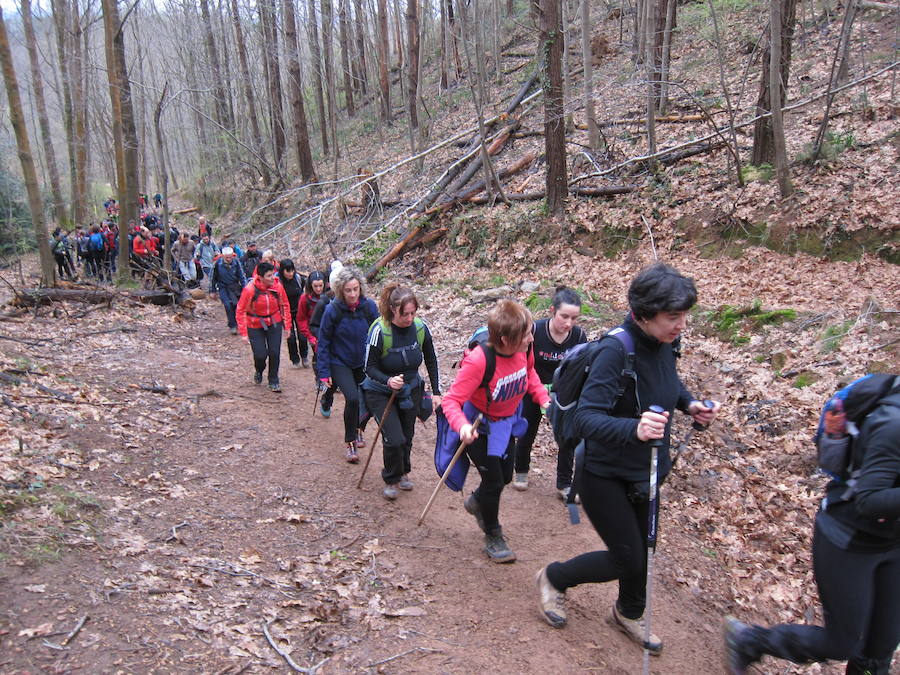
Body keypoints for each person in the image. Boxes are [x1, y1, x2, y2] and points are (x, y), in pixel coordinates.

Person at [534, 263, 719, 655]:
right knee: (627, 557)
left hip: (647, 468)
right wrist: (634, 428)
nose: (682, 324)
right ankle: (553, 577)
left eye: (685, 315)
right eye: (673, 316)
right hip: (604, 473)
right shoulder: (614, 351)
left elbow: (666, 382)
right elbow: (585, 417)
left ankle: (628, 612)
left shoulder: (664, 342)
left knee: (645, 548)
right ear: (643, 314)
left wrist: (689, 404)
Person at [724, 377, 900, 675]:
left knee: (879, 650)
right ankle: (750, 641)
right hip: (847, 539)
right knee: (842, 643)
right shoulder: (893, 425)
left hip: (893, 543)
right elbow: (869, 500)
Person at [442, 299, 551, 563]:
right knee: (493, 481)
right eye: (525, 335)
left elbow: (529, 373)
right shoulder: (479, 361)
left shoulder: (525, 349)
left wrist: (542, 397)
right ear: (504, 339)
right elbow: (451, 401)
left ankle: (477, 501)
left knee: (504, 477)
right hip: (479, 426)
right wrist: (463, 426)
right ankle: (493, 534)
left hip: (505, 423)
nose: (531, 338)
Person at [363, 284, 442, 500]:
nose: (409, 318)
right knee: (394, 438)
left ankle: (404, 471)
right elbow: (368, 367)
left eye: (412, 313)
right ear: (392, 309)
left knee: (407, 435)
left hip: (411, 389)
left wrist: (436, 391)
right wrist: (388, 380)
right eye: (404, 314)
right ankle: (391, 478)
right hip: (381, 392)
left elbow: (431, 359)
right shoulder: (380, 331)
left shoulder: (419, 328)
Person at [512, 287, 587, 496]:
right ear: (552, 310)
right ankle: (521, 470)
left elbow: (582, 368)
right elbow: (522, 364)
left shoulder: (579, 336)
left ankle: (564, 483)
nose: (568, 323)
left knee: (567, 437)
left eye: (574, 318)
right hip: (533, 388)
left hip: (564, 393)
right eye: (564, 316)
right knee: (527, 431)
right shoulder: (534, 331)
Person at [315, 265, 378, 463]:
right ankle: (350, 442)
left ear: (361, 288)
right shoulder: (333, 309)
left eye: (355, 289)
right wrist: (323, 372)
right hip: (339, 361)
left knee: (368, 397)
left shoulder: (368, 307)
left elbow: (378, 332)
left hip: (363, 361)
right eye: (348, 290)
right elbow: (323, 341)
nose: (352, 294)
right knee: (352, 398)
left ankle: (360, 428)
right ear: (341, 290)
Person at [236, 261, 290, 392]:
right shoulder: (250, 289)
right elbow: (240, 310)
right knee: (260, 354)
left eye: (273, 274)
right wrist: (243, 333)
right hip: (255, 324)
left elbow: (284, 305)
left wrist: (287, 326)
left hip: (274, 322)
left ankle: (273, 380)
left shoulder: (277, 287)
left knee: (274, 352)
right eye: (269, 276)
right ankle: (259, 370)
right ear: (260, 277)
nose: (273, 278)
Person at [278, 259, 310, 368]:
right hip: (285, 312)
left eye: (292, 270)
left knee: (302, 335)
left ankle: (304, 356)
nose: (290, 273)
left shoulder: (298, 279)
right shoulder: (278, 282)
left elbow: (309, 288)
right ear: (282, 271)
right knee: (290, 337)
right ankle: (294, 359)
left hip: (300, 311)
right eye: (288, 271)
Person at [209, 247, 248, 334]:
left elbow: (241, 275)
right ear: (223, 256)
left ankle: (238, 323)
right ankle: (232, 326)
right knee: (228, 305)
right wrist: (212, 290)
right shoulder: (217, 264)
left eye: (230, 257)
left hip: (234, 286)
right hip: (223, 287)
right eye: (227, 257)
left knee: (236, 305)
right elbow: (212, 278)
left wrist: (245, 288)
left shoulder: (236, 262)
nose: (229, 259)